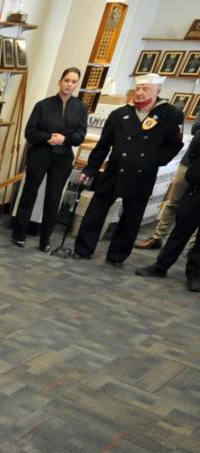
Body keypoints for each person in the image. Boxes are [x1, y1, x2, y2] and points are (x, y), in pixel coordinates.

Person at [73, 73, 184, 266]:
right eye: (138, 88)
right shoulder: (119, 114)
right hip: (114, 171)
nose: (140, 93)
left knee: (131, 218)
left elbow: (174, 144)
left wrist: (155, 161)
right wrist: (91, 168)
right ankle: (83, 249)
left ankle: (117, 256)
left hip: (142, 175)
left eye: (145, 89)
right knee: (95, 211)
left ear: (157, 91)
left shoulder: (170, 114)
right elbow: (104, 144)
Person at [11, 67, 87, 251]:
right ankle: (19, 234)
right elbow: (30, 132)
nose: (69, 84)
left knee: (53, 198)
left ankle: (45, 239)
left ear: (77, 84)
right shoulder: (43, 105)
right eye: (67, 80)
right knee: (30, 193)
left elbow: (80, 135)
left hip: (63, 158)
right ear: (60, 81)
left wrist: (65, 139)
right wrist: (48, 137)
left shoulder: (81, 107)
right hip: (40, 154)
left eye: (74, 81)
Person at [135, 128, 200, 292]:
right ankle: (160, 266)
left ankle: (195, 274)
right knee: (181, 230)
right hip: (197, 189)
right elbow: (194, 151)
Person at [134, 122, 198, 249]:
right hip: (189, 162)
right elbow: (195, 129)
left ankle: (193, 246)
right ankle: (157, 237)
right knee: (173, 202)